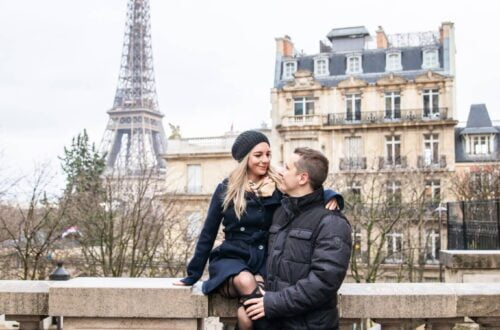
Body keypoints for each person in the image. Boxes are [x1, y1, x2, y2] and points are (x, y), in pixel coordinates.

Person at [174, 131, 343, 330]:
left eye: (268, 154)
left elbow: (306, 188)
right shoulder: (226, 189)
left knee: (245, 315)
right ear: (245, 158)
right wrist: (193, 274)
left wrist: (332, 196)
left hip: (264, 259)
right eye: (258, 155)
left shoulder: (278, 184)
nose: (265, 160)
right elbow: (208, 234)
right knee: (246, 281)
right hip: (232, 258)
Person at [244, 147, 352, 330]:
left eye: (286, 167)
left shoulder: (332, 222)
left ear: (302, 178)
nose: (279, 171)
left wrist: (273, 303)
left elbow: (323, 283)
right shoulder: (281, 213)